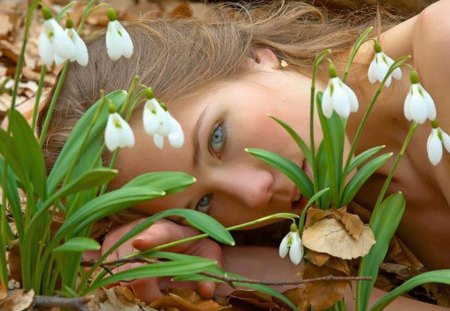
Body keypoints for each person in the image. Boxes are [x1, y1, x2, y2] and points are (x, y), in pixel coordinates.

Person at [38, 0, 450, 309]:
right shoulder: (350, 213)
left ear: (254, 56)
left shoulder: (443, 47)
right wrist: (249, 270)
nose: (255, 193)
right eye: (203, 205)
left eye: (217, 138)